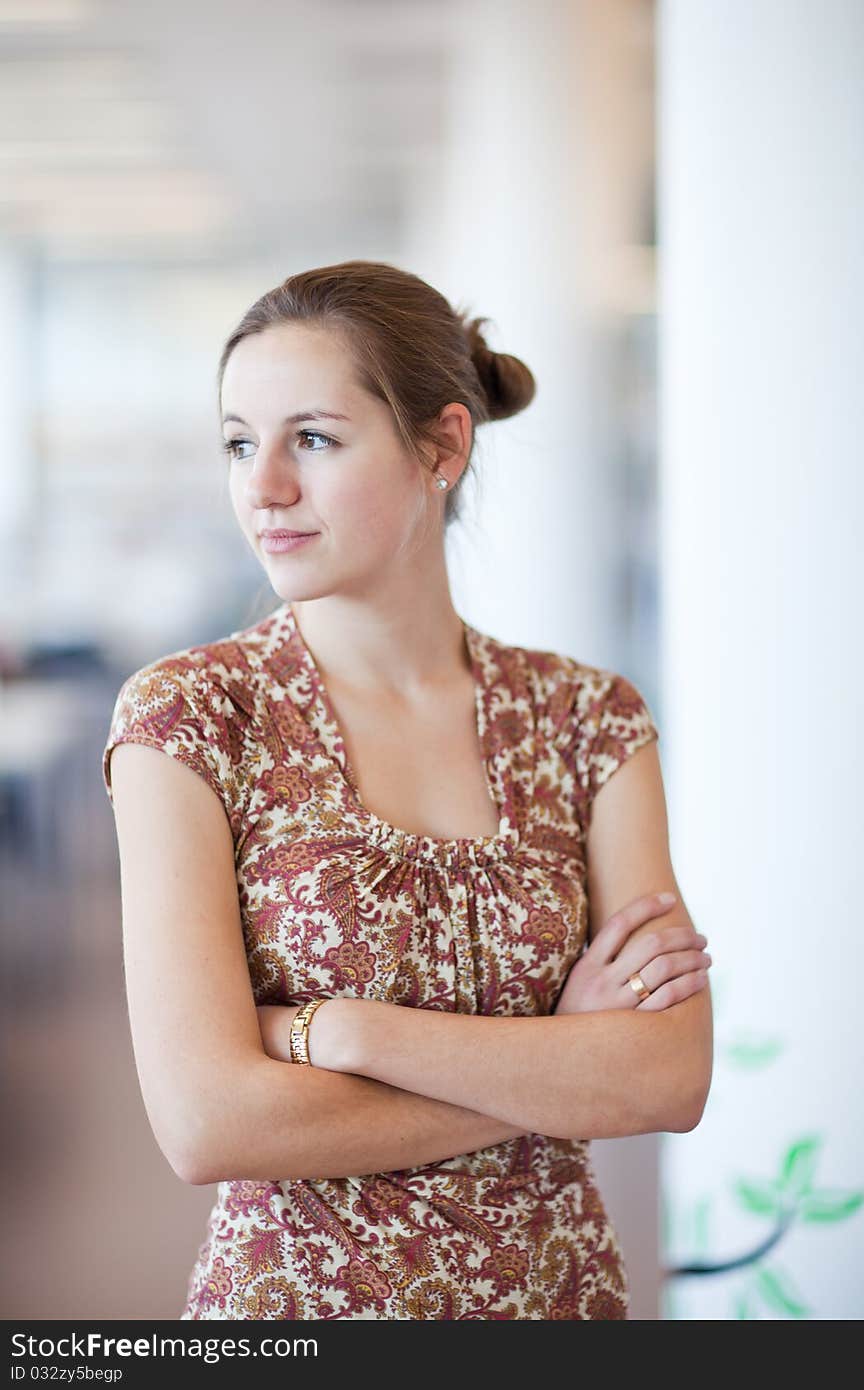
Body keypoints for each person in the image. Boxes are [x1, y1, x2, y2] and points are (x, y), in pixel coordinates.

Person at [101, 259, 713, 1321]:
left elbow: (664, 1080)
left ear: (442, 445)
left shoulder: (587, 719)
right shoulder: (191, 716)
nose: (264, 486)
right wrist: (557, 1068)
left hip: (556, 1299)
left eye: (314, 439)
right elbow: (208, 1123)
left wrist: (339, 1032)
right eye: (240, 442)